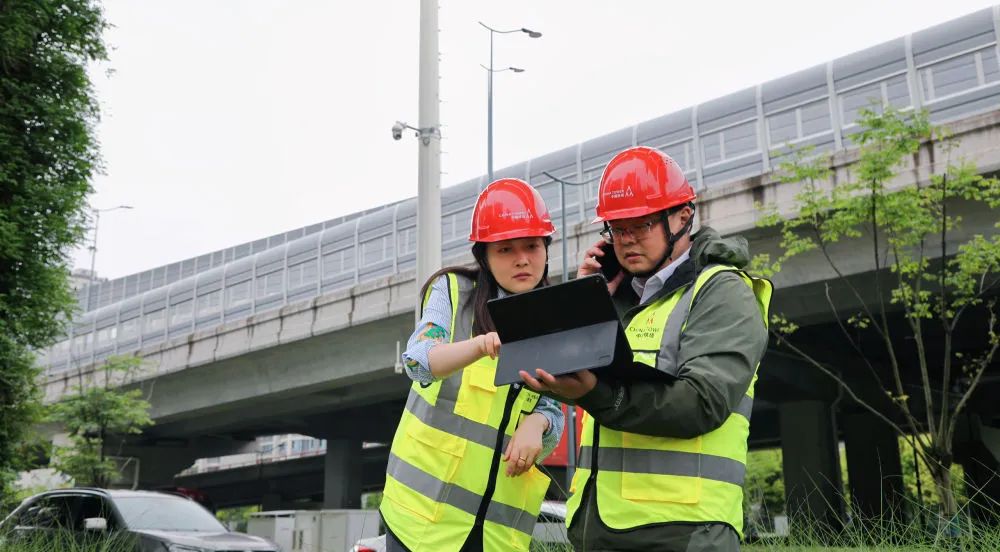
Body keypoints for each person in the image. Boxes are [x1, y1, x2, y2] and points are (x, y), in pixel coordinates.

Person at [520, 146, 772, 551]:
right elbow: (554, 361)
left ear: (682, 217)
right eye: (617, 230)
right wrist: (586, 296)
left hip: (684, 532)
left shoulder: (722, 291)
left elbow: (703, 401)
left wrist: (595, 394)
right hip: (599, 530)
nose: (627, 240)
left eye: (642, 226)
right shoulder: (621, 298)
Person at [380, 178, 566, 552]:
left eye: (532, 245)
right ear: (484, 255)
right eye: (505, 249)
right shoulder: (452, 292)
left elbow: (552, 406)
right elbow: (419, 361)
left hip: (496, 534)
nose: (522, 259)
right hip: (422, 522)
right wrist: (479, 345)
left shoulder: (552, 318)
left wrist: (539, 423)